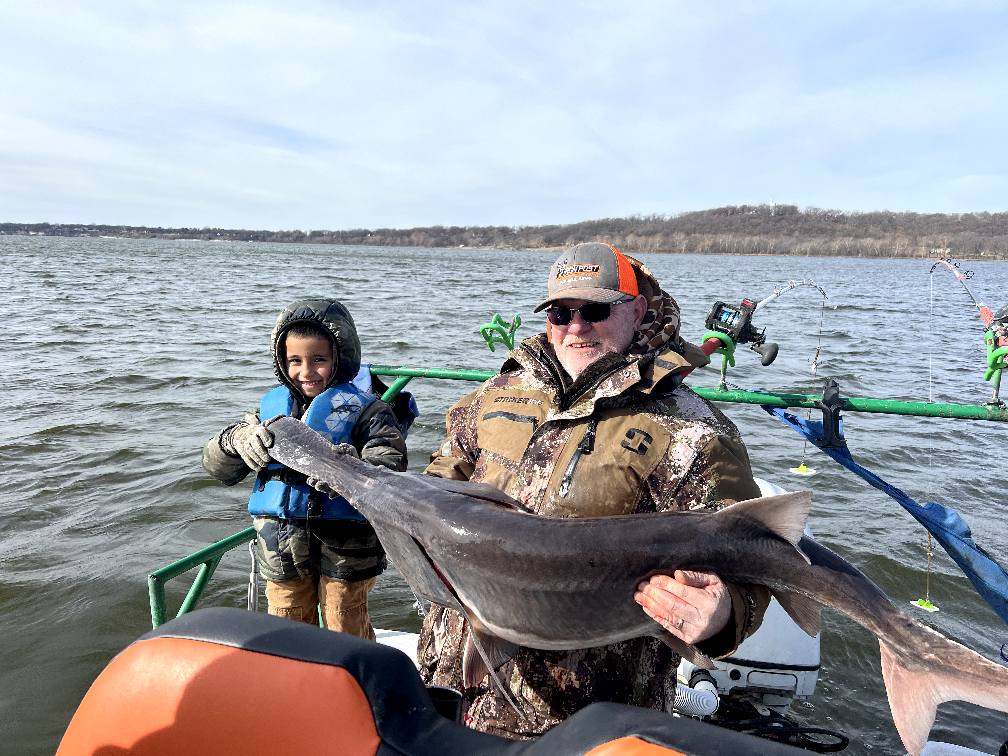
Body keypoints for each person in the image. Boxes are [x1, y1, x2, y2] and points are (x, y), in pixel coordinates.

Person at [416, 242, 770, 738]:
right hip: (445, 691)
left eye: (595, 311)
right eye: (561, 313)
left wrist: (723, 614)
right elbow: (442, 476)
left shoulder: (694, 431)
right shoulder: (497, 394)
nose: (576, 327)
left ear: (637, 311)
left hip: (588, 723)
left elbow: (753, 558)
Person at [202, 298, 408, 639]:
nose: (306, 372)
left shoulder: (370, 411)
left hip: (347, 552)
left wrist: (350, 471)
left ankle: (351, 673)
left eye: (319, 360)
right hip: (281, 548)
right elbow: (218, 467)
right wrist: (235, 440)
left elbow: (389, 463)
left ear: (340, 359)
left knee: (345, 622)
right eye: (295, 361)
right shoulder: (267, 411)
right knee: (287, 627)